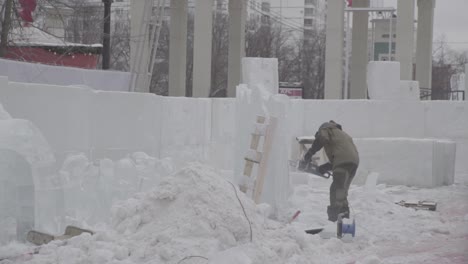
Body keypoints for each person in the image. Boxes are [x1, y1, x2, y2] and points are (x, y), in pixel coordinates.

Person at [302, 120, 359, 222]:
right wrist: (324, 167)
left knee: (335, 190)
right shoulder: (341, 134)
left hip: (343, 161)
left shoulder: (326, 128)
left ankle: (333, 221)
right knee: (342, 192)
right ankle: (345, 222)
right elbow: (340, 157)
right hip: (353, 163)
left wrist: (310, 153)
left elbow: (322, 138)